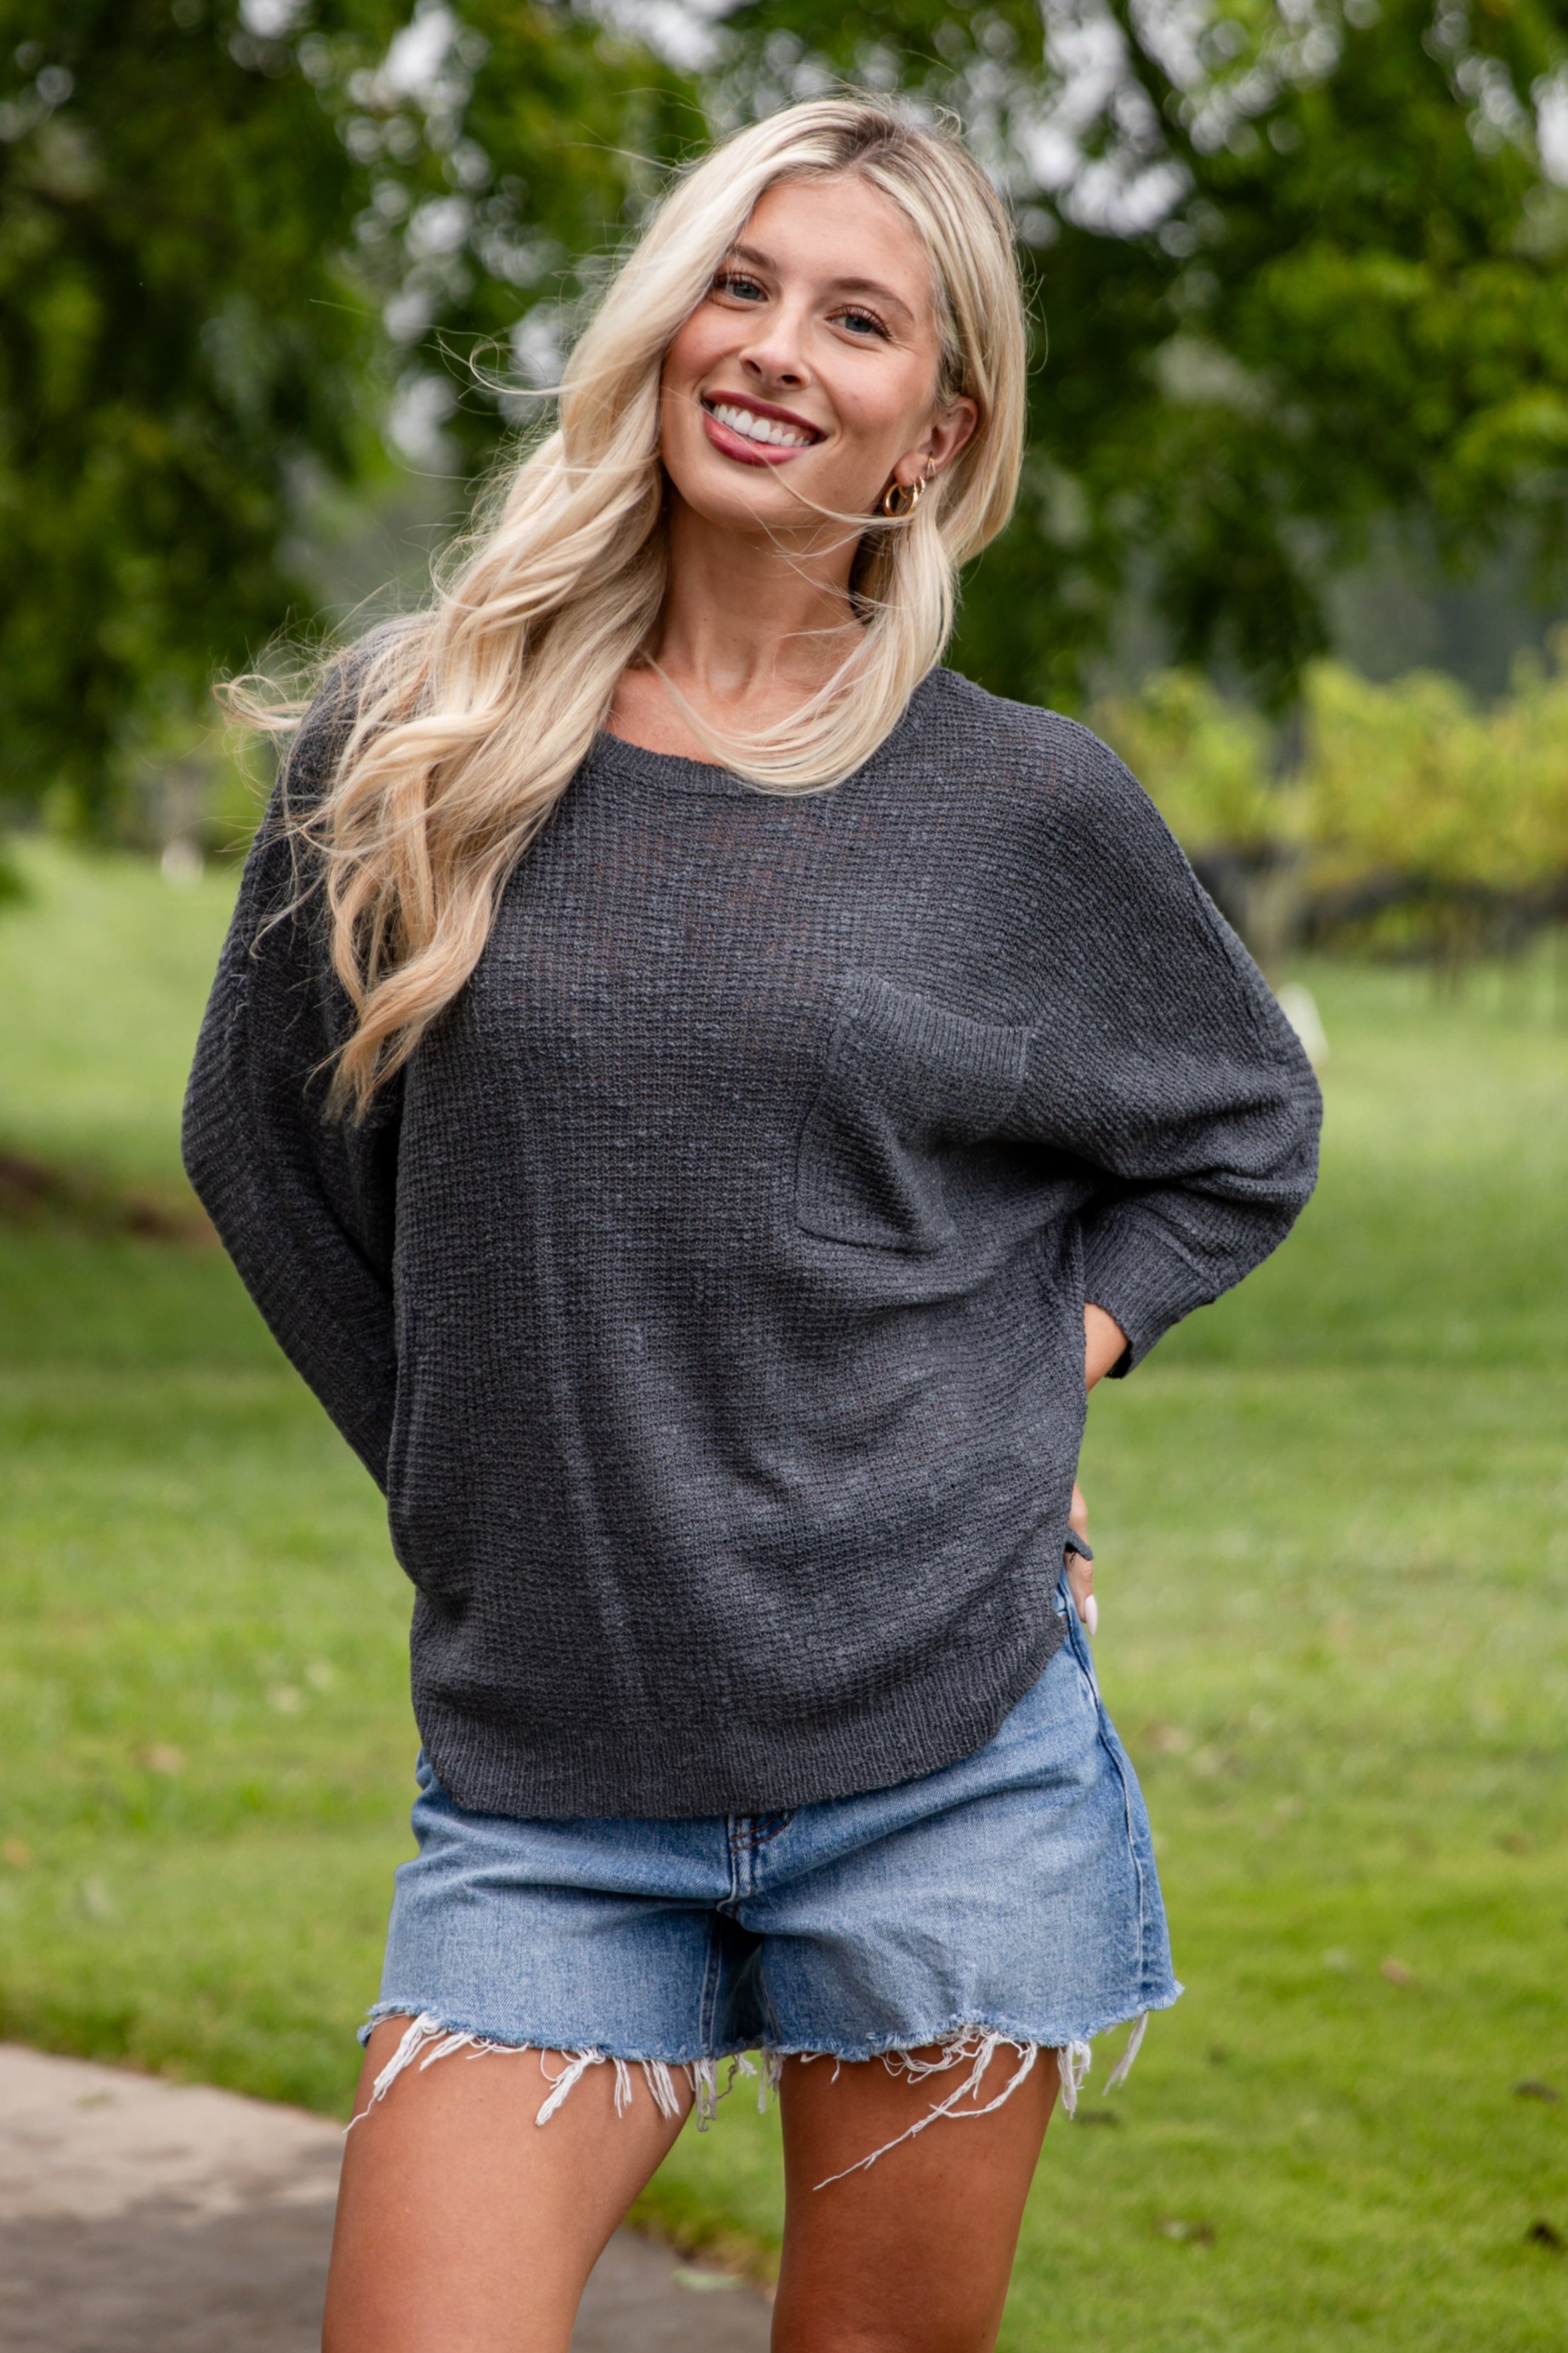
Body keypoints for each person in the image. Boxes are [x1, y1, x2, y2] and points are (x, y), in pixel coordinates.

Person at [185, 97, 1320, 2353]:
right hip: (549, 1779)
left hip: (946, 1759)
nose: (778, 345)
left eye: (858, 317)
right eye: (740, 280)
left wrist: (1040, 1371)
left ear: (936, 426)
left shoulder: (1018, 804)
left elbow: (1234, 1129)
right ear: (661, 318)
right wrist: (484, 1478)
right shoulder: (417, 736)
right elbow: (264, 1149)